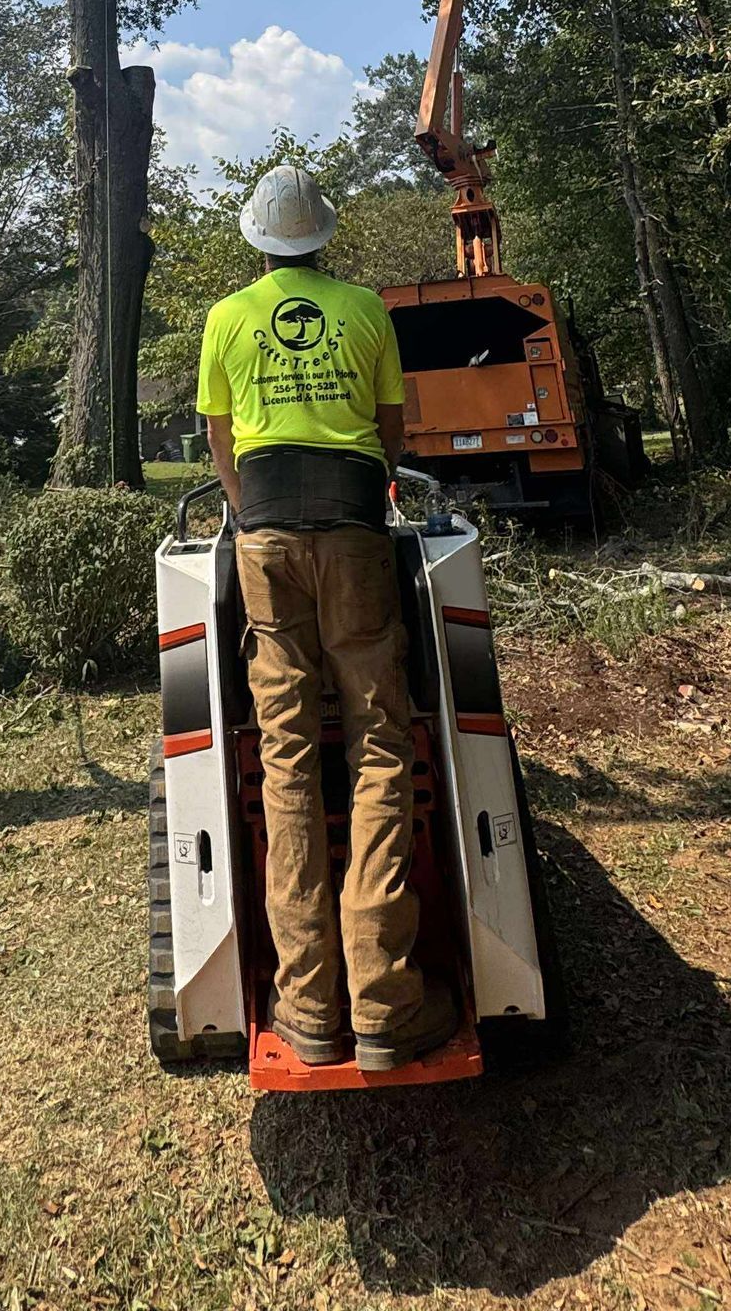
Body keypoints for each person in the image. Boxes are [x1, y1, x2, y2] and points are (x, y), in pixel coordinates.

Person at [197, 164, 457, 1073]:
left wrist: (253, 516)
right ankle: (385, 1001)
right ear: (324, 237)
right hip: (354, 534)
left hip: (265, 538)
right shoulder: (366, 310)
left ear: (259, 238)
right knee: (383, 740)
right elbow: (392, 432)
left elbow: (223, 445)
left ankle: (309, 1005)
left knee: (288, 752)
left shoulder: (226, 319)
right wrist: (365, 496)